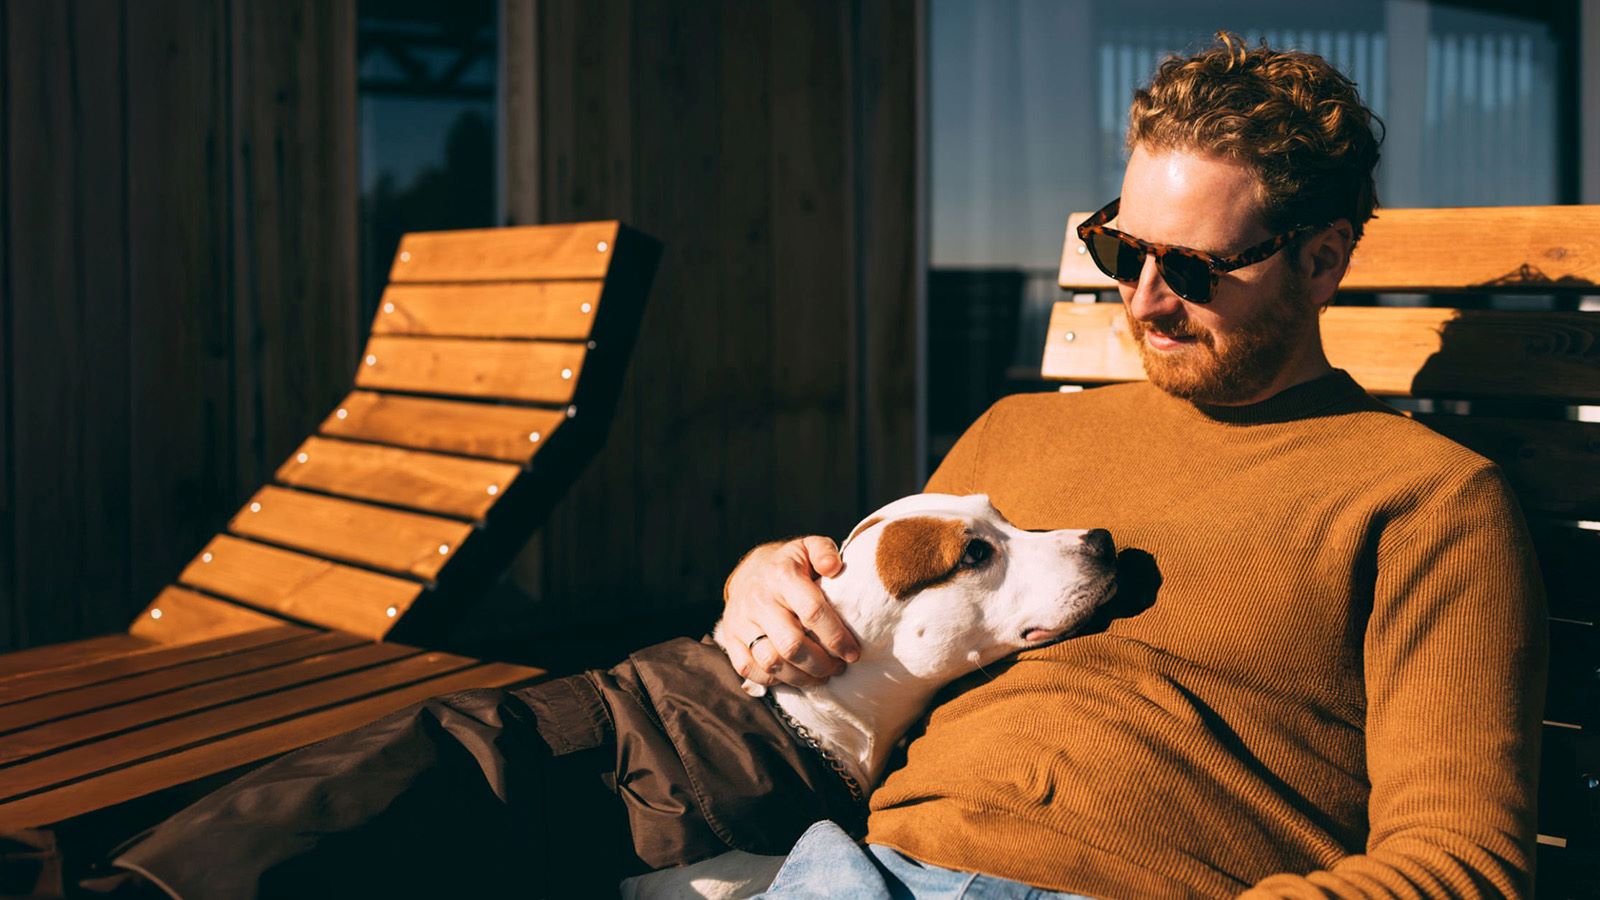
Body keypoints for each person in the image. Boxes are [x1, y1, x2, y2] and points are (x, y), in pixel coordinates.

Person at [719, 32, 1547, 899]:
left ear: (1321, 261)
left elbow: (1463, 866)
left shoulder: (1426, 502)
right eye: (1122, 250)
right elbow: (864, 645)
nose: (1146, 298)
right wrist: (764, 585)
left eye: (1193, 267)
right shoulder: (1015, 435)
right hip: (851, 868)